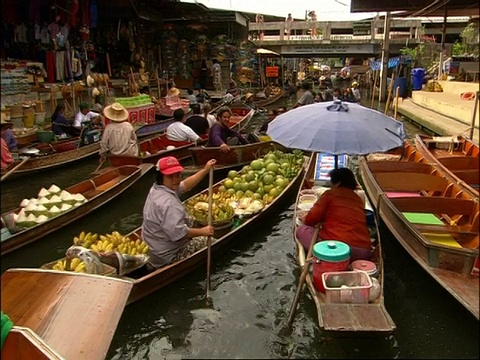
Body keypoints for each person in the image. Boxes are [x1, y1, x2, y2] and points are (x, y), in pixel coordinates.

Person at [142, 156, 216, 268]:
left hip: (155, 245)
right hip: (168, 256)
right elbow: (179, 233)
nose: (175, 179)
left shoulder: (157, 188)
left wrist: (205, 170)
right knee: (209, 241)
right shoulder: (168, 204)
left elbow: (185, 185)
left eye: (177, 175)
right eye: (170, 176)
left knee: (194, 219)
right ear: (161, 176)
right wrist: (203, 232)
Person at [296, 168, 372, 262]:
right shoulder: (358, 199)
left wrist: (305, 219)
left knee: (301, 230)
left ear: (337, 183)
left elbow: (311, 219)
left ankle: (323, 260)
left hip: (337, 251)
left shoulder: (330, 194)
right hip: (364, 252)